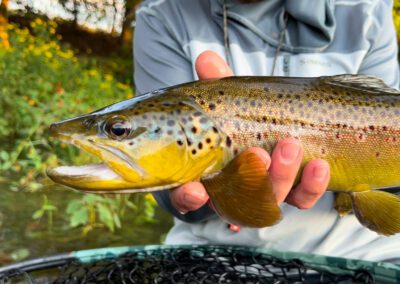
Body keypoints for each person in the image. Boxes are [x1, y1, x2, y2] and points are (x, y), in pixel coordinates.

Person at [133, 0, 400, 262]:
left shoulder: (366, 9)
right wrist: (216, 196)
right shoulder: (163, 13)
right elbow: (175, 188)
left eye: (119, 130)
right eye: (120, 131)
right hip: (217, 255)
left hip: (360, 253)